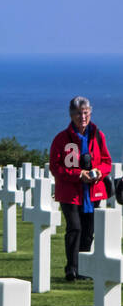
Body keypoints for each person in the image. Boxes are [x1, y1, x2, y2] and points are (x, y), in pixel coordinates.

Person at [50, 96, 112, 282]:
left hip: (93, 191)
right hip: (70, 193)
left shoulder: (98, 135)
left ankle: (84, 268)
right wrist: (78, 174)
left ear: (90, 113)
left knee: (88, 230)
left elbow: (106, 162)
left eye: (85, 113)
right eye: (78, 113)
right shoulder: (61, 138)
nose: (82, 117)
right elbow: (56, 166)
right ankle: (72, 268)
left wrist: (97, 172)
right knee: (75, 227)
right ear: (71, 115)